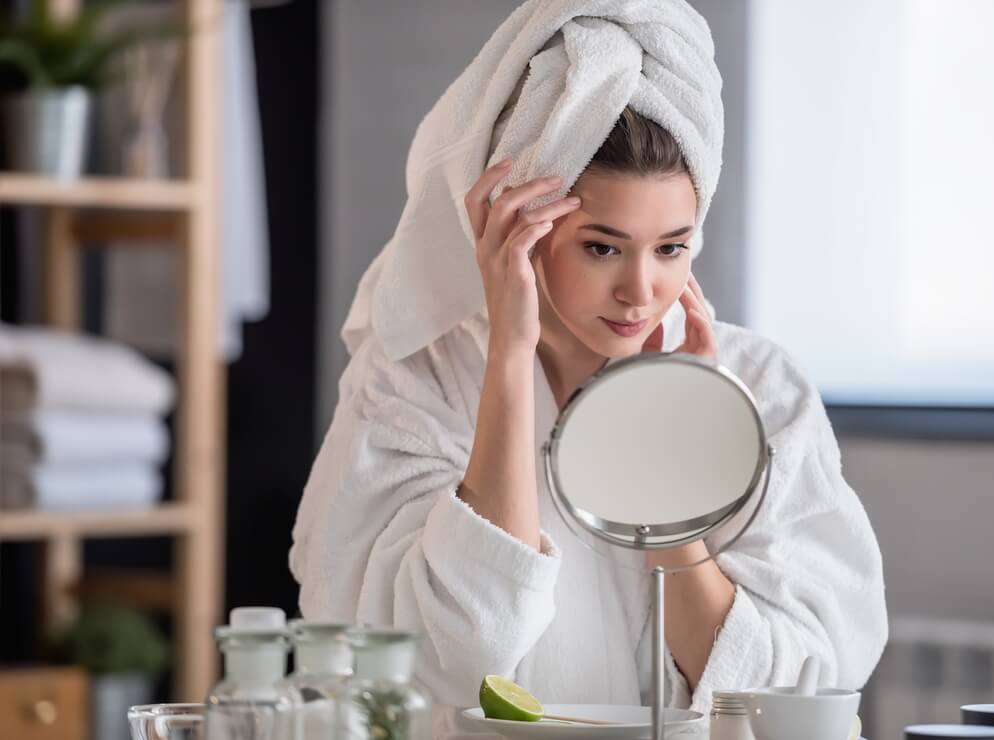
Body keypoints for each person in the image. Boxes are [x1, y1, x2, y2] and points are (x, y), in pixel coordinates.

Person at [290, 0, 888, 714]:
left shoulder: (760, 389)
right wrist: (509, 358)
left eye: (672, 248)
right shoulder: (414, 386)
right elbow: (453, 658)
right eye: (601, 246)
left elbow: (787, 694)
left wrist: (672, 473)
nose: (642, 291)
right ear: (520, 224)